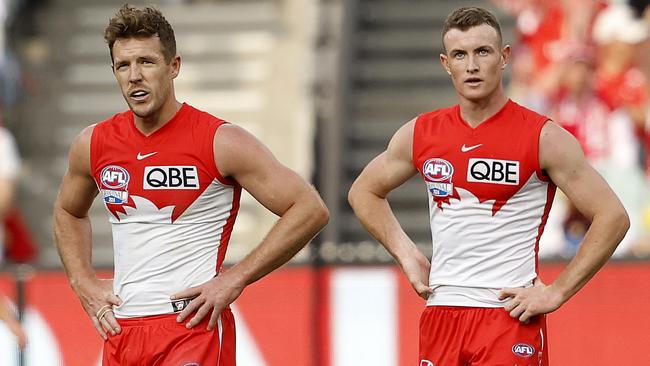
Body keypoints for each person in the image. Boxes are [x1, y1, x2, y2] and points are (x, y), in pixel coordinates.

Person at [348, 7, 629, 365]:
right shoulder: (421, 133)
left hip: (508, 317)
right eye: (459, 55)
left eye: (482, 52)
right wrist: (407, 253)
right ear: (445, 63)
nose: (472, 65)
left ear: (505, 57)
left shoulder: (543, 137)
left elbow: (612, 216)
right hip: (443, 312)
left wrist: (557, 291)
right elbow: (363, 192)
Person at [53, 4, 328, 365]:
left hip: (191, 328)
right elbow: (68, 211)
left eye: (147, 62)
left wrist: (235, 278)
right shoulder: (93, 143)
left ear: (174, 66)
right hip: (123, 333)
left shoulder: (219, 141)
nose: (134, 76)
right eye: (123, 65)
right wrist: (82, 281)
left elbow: (309, 209)